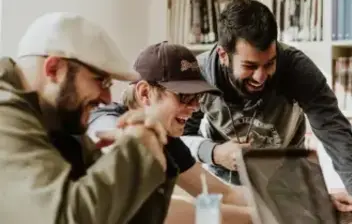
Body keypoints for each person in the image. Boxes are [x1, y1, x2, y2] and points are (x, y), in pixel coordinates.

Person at [182, 0, 352, 212]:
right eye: (249, 66)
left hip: (287, 187)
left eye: (269, 63)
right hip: (223, 191)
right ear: (224, 55)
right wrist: (214, 152)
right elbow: (179, 139)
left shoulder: (297, 68)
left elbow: (335, 131)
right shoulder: (199, 74)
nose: (260, 76)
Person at [0, 12, 173, 223]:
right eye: (100, 80)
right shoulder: (5, 114)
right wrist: (137, 150)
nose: (108, 99)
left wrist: (151, 149)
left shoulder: (59, 122)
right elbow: (67, 218)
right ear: (53, 69)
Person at [88, 42, 253, 224]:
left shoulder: (165, 137)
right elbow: (156, 211)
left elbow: (225, 194)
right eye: (185, 96)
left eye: (197, 97)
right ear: (145, 93)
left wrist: (277, 201)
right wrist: (256, 217)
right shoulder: (107, 121)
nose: (194, 107)